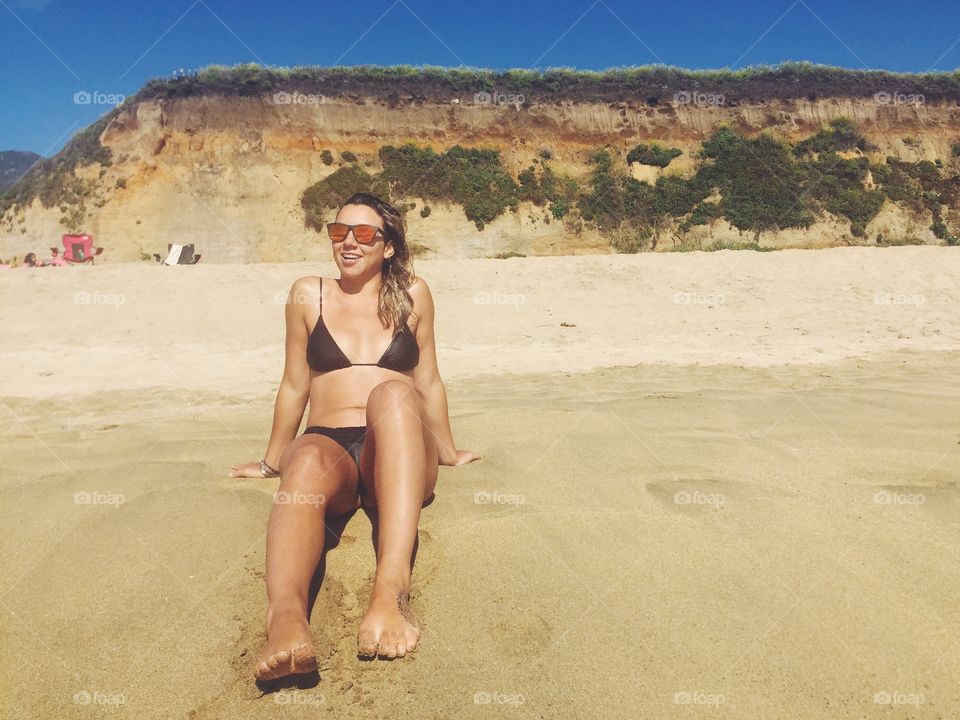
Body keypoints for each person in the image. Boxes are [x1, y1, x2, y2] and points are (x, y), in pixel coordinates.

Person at [230, 192, 480, 680]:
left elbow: (427, 379)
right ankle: (285, 621)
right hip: (330, 447)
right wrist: (270, 460)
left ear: (386, 246)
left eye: (364, 234)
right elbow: (294, 382)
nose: (349, 242)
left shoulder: (414, 293)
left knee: (394, 393)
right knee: (302, 462)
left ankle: (390, 591)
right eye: (338, 232)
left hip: (400, 446)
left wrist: (447, 451)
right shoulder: (308, 293)